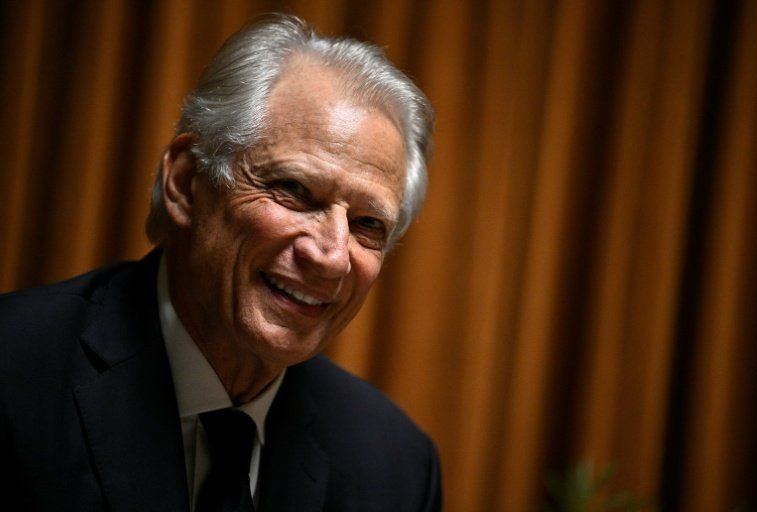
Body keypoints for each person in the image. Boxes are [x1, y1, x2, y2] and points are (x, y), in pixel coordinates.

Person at [0, 15, 440, 512]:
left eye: (367, 224)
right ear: (187, 182)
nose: (332, 257)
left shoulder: (398, 469)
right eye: (294, 190)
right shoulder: (13, 371)